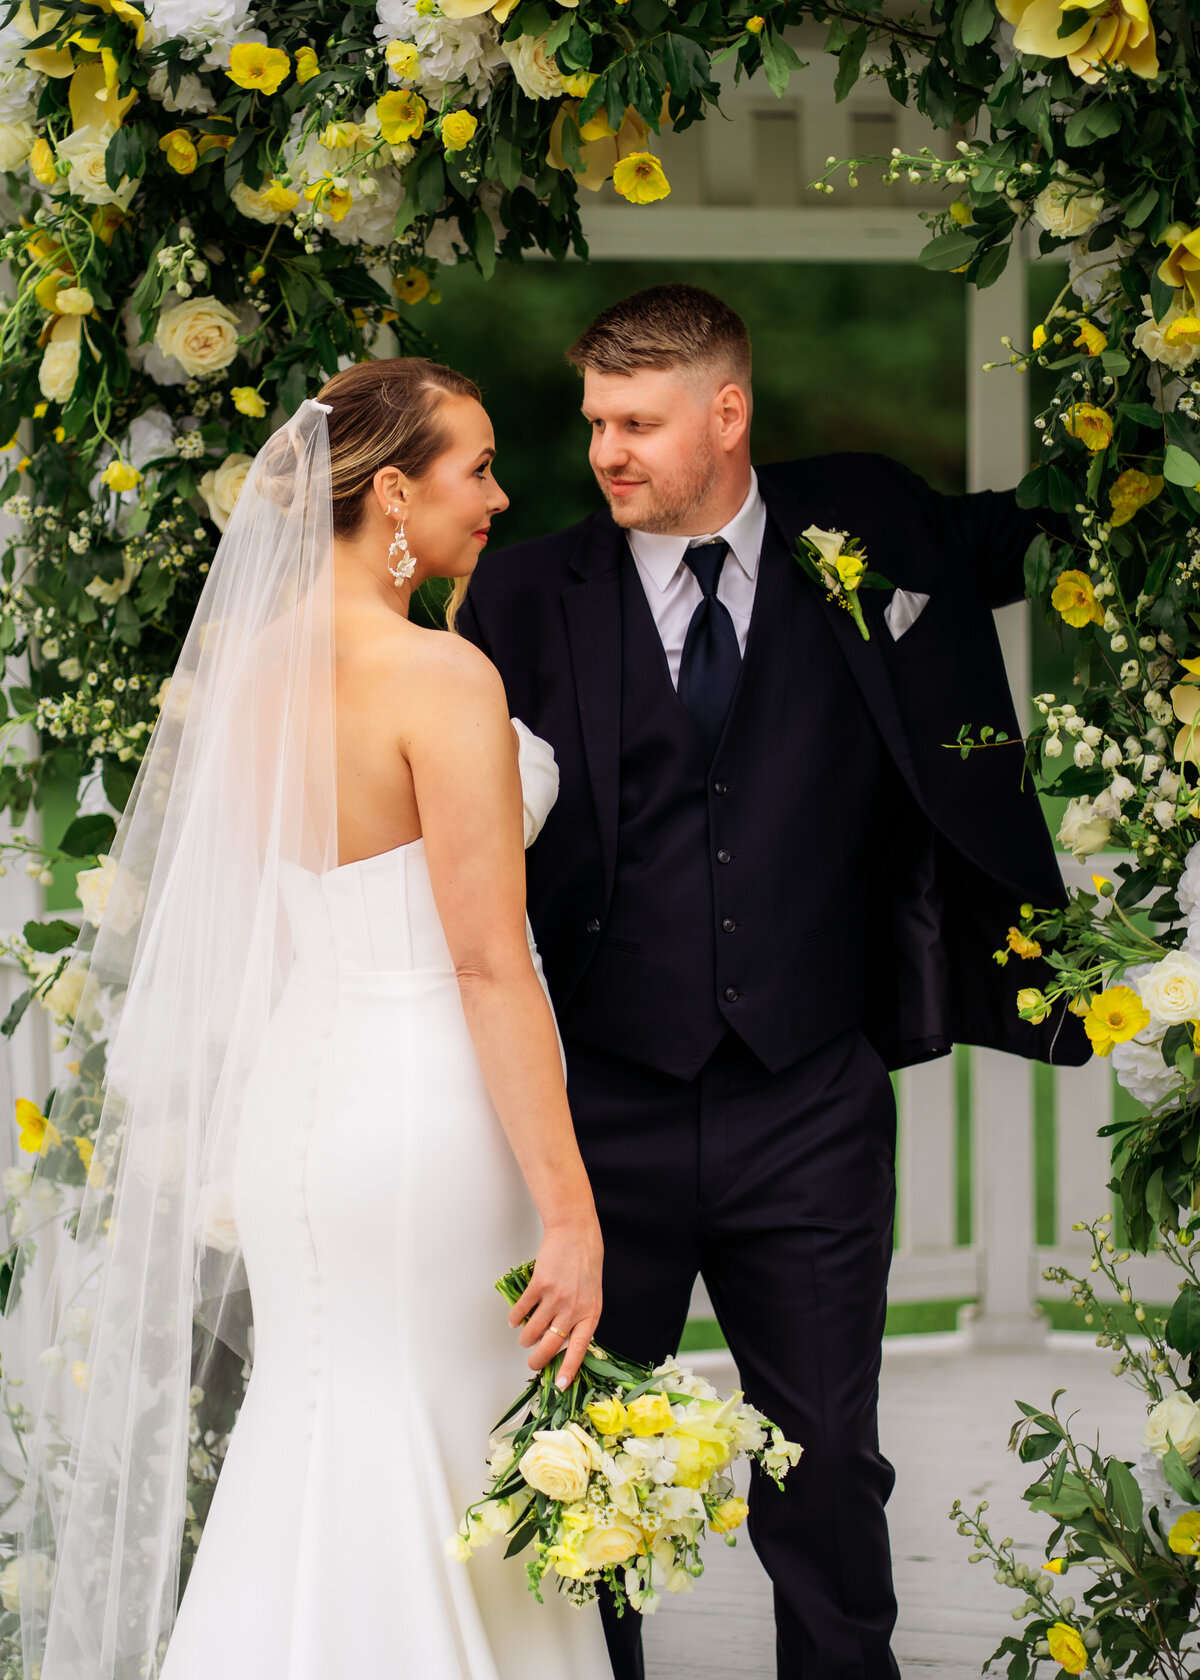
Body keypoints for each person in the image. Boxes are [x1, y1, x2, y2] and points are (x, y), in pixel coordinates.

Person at [455, 282, 1091, 1680]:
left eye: (638, 421)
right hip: (598, 1110)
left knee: (829, 1469)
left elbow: (1057, 517)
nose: (605, 450)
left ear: (727, 413)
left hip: (808, 1098)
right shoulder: (518, 593)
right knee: (584, 1473)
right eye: (594, 422)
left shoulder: (870, 527)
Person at [3, 361, 611, 1680]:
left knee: (320, 1418)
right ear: (393, 489)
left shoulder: (256, 670)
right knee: (438, 1428)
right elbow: (491, 964)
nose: (502, 497)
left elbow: (271, 927)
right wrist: (570, 1210)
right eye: (479, 468)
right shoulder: (438, 679)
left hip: (305, 1109)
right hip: (426, 1112)